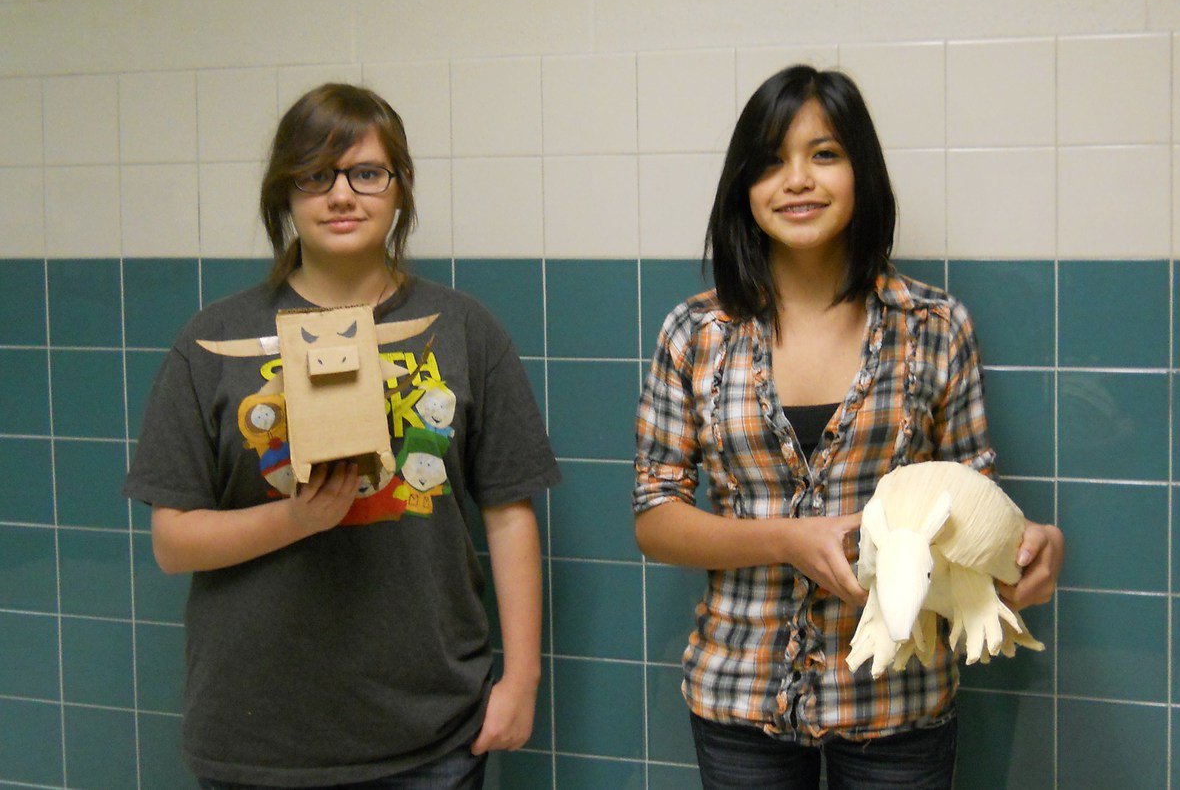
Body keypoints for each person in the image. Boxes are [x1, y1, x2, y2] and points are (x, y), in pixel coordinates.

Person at [632, 65, 1063, 789]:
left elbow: (970, 499)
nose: (796, 179)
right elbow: (655, 517)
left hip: (900, 693)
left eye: (824, 154)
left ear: (862, 170)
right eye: (771, 161)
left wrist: (1027, 546)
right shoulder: (695, 332)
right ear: (745, 186)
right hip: (739, 691)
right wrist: (783, 539)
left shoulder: (934, 326)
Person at [124, 84, 559, 788]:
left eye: (366, 173)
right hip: (258, 736)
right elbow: (173, 543)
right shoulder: (213, 341)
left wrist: (523, 679)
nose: (341, 195)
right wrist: (296, 518)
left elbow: (509, 512)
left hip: (431, 731)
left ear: (400, 188)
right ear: (285, 196)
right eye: (315, 176)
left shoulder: (464, 330)